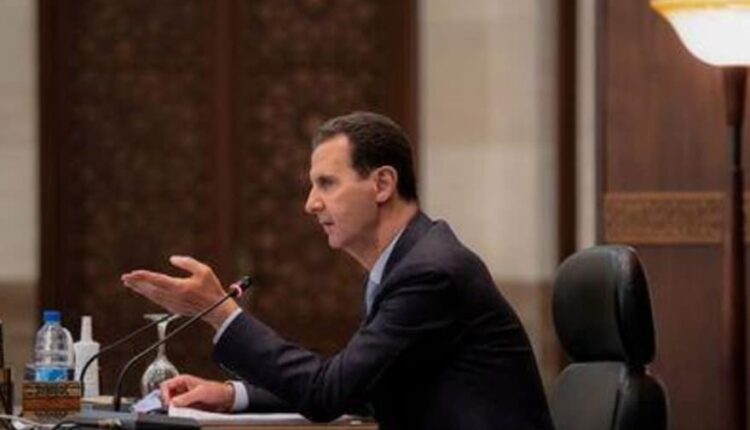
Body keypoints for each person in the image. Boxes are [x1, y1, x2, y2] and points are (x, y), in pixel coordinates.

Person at [122, 111, 554, 430]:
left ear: (382, 184)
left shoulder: (429, 273)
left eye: (327, 184)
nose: (310, 203)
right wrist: (231, 395)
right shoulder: (404, 264)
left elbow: (330, 393)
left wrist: (220, 312)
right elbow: (360, 387)